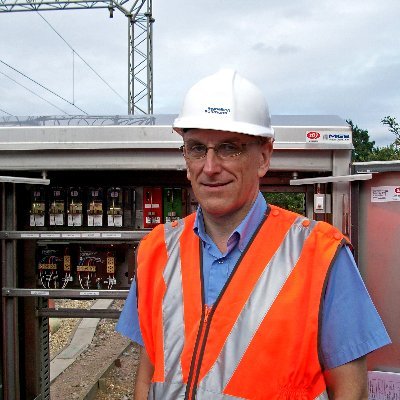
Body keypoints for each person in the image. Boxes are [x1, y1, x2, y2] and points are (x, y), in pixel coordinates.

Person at [117, 69, 391, 399]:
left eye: (229, 148)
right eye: (196, 148)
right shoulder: (157, 250)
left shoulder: (321, 255)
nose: (210, 166)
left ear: (263, 157)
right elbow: (148, 373)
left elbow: (352, 391)